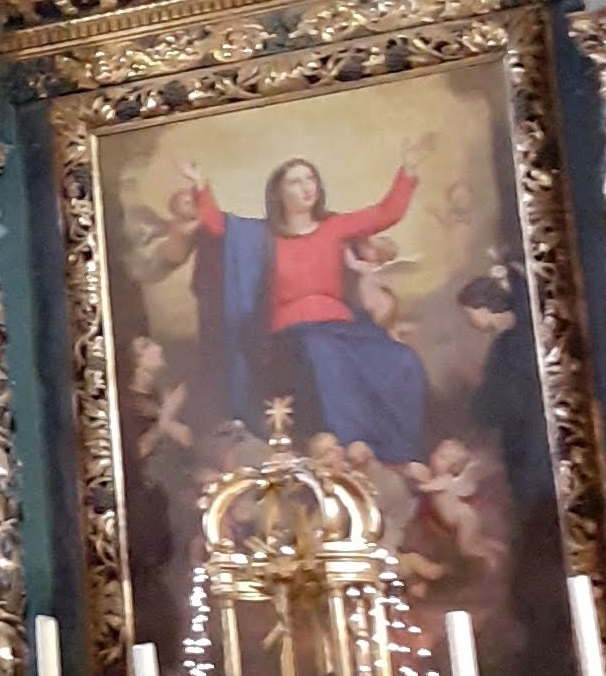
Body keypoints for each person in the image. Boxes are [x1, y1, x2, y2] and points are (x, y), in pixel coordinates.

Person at [177, 148, 429, 468]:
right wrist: (201, 186)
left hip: (344, 326)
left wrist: (407, 172)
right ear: (279, 193)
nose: (307, 187)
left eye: (310, 178)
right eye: (295, 182)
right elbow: (218, 226)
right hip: (293, 332)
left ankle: (398, 450)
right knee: (321, 351)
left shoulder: (335, 226)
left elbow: (385, 213)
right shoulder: (262, 236)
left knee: (403, 361)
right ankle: (350, 439)